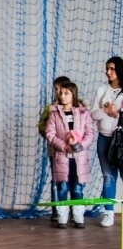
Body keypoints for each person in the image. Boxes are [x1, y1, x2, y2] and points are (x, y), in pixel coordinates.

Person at [46, 81, 95, 228]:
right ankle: (62, 218)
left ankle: (78, 218)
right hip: (62, 158)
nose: (62, 96)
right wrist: (63, 146)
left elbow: (90, 133)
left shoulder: (84, 113)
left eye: (66, 93)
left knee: (78, 187)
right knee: (62, 187)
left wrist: (80, 146)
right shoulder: (54, 114)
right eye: (61, 93)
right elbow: (50, 134)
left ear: (73, 94)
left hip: (79, 158)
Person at [90, 56, 123, 227]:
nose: (108, 72)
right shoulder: (102, 89)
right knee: (109, 177)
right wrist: (106, 110)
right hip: (104, 139)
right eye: (107, 68)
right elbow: (93, 115)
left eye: (112, 68)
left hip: (121, 140)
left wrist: (117, 114)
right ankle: (109, 212)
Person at [38, 76, 72, 222]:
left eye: (61, 89)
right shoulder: (50, 108)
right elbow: (41, 127)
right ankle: (56, 211)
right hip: (55, 152)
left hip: (72, 153)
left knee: (71, 180)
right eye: (56, 89)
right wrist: (50, 130)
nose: (58, 93)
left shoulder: (76, 108)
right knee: (56, 181)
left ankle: (71, 210)